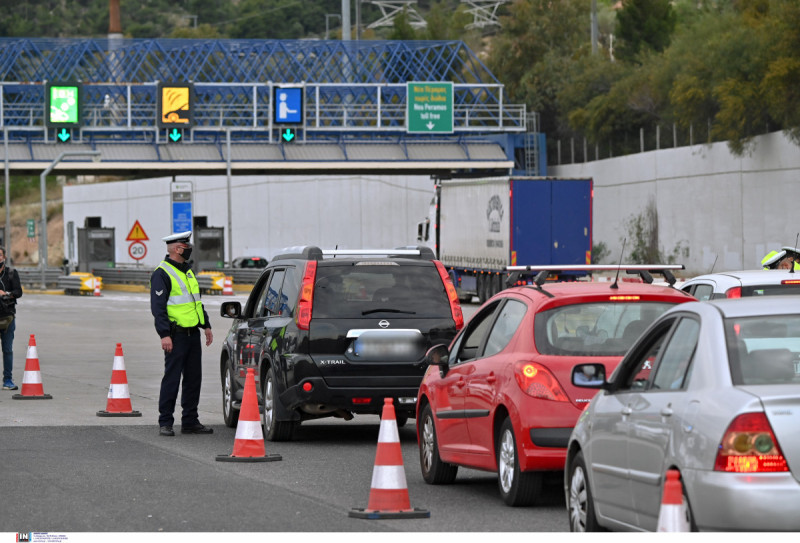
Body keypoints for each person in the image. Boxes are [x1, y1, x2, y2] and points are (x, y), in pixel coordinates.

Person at [150, 231, 213, 436]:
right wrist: (164, 334)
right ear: (177, 249)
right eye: (187, 248)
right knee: (172, 379)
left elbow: (196, 302)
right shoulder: (162, 273)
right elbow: (158, 308)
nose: (189, 251)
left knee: (194, 379)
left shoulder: (187, 271)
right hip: (175, 336)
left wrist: (206, 325)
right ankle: (165, 422)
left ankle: (190, 421)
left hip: (192, 334)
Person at [0, 246, 22, 391]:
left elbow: (18, 292)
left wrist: (6, 293)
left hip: (7, 317)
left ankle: (8, 379)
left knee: (7, 350)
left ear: (4, 257)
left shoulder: (11, 273)